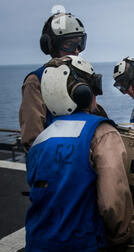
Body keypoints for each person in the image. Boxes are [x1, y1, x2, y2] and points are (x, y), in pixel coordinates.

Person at [25, 55, 133, 252]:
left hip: (38, 251)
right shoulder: (101, 132)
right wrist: (120, 237)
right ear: (82, 92)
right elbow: (112, 201)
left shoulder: (41, 139)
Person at [19, 12, 107, 152]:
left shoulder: (81, 75)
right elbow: (33, 139)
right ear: (51, 46)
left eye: (79, 43)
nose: (77, 51)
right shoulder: (35, 82)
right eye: (69, 44)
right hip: (58, 162)